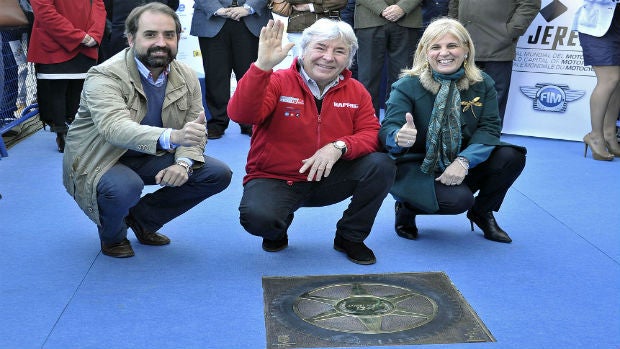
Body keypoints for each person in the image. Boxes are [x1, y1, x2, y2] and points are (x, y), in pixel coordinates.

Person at [62, 3, 233, 258]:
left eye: (169, 35)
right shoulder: (105, 75)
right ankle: (113, 236)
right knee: (124, 187)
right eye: (150, 34)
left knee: (216, 173)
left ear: (178, 38)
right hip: (101, 157)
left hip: (149, 155)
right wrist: (173, 137)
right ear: (131, 39)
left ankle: (142, 221)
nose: (161, 42)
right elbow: (114, 128)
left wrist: (183, 164)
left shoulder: (187, 75)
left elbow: (195, 130)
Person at [227, 18, 396, 265]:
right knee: (258, 219)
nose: (328, 57)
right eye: (321, 47)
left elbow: (371, 134)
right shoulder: (276, 80)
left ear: (349, 58)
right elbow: (241, 115)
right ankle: (278, 226)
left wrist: (339, 147)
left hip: (330, 177)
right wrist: (262, 67)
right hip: (277, 178)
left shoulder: (357, 90)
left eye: (339, 51)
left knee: (382, 165)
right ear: (303, 50)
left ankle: (350, 237)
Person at [379, 18, 526, 243]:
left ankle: (482, 212)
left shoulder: (482, 82)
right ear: (424, 52)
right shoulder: (407, 85)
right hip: (417, 163)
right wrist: (398, 137)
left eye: (452, 46)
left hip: (460, 159)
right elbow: (388, 128)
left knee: (511, 156)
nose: (444, 53)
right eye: (435, 47)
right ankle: (407, 208)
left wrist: (464, 161)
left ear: (466, 49)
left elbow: (489, 127)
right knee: (458, 201)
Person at [28, 0, 107, 152]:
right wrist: (85, 36)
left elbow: (98, 6)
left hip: (79, 42)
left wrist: (91, 35)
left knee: (76, 92)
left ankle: (69, 133)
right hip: (65, 42)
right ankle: (65, 133)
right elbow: (45, 11)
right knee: (60, 92)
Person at [448, 0, 540, 124]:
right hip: (465, 44)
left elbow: (529, 4)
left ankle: (489, 139)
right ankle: (464, 137)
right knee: (462, 96)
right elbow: (455, 3)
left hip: (497, 47)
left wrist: (510, 32)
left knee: (494, 98)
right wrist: (455, 27)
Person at [190, 0, 271, 140]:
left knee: (251, 75)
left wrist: (249, 8)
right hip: (212, 19)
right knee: (215, 75)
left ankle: (250, 120)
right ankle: (216, 122)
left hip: (251, 19)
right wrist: (217, 9)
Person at [354, 0, 423, 118]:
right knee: (368, 78)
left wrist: (403, 7)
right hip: (370, 17)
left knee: (403, 79)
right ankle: (366, 126)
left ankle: (396, 126)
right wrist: (381, 8)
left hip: (408, 17)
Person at [573, 0, 620, 160]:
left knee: (618, 84)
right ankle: (595, 135)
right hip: (599, 25)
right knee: (610, 79)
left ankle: (609, 134)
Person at [100, 0, 179, 62]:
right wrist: (111, 32)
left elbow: (171, 7)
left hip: (160, 42)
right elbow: (104, 9)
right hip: (120, 39)